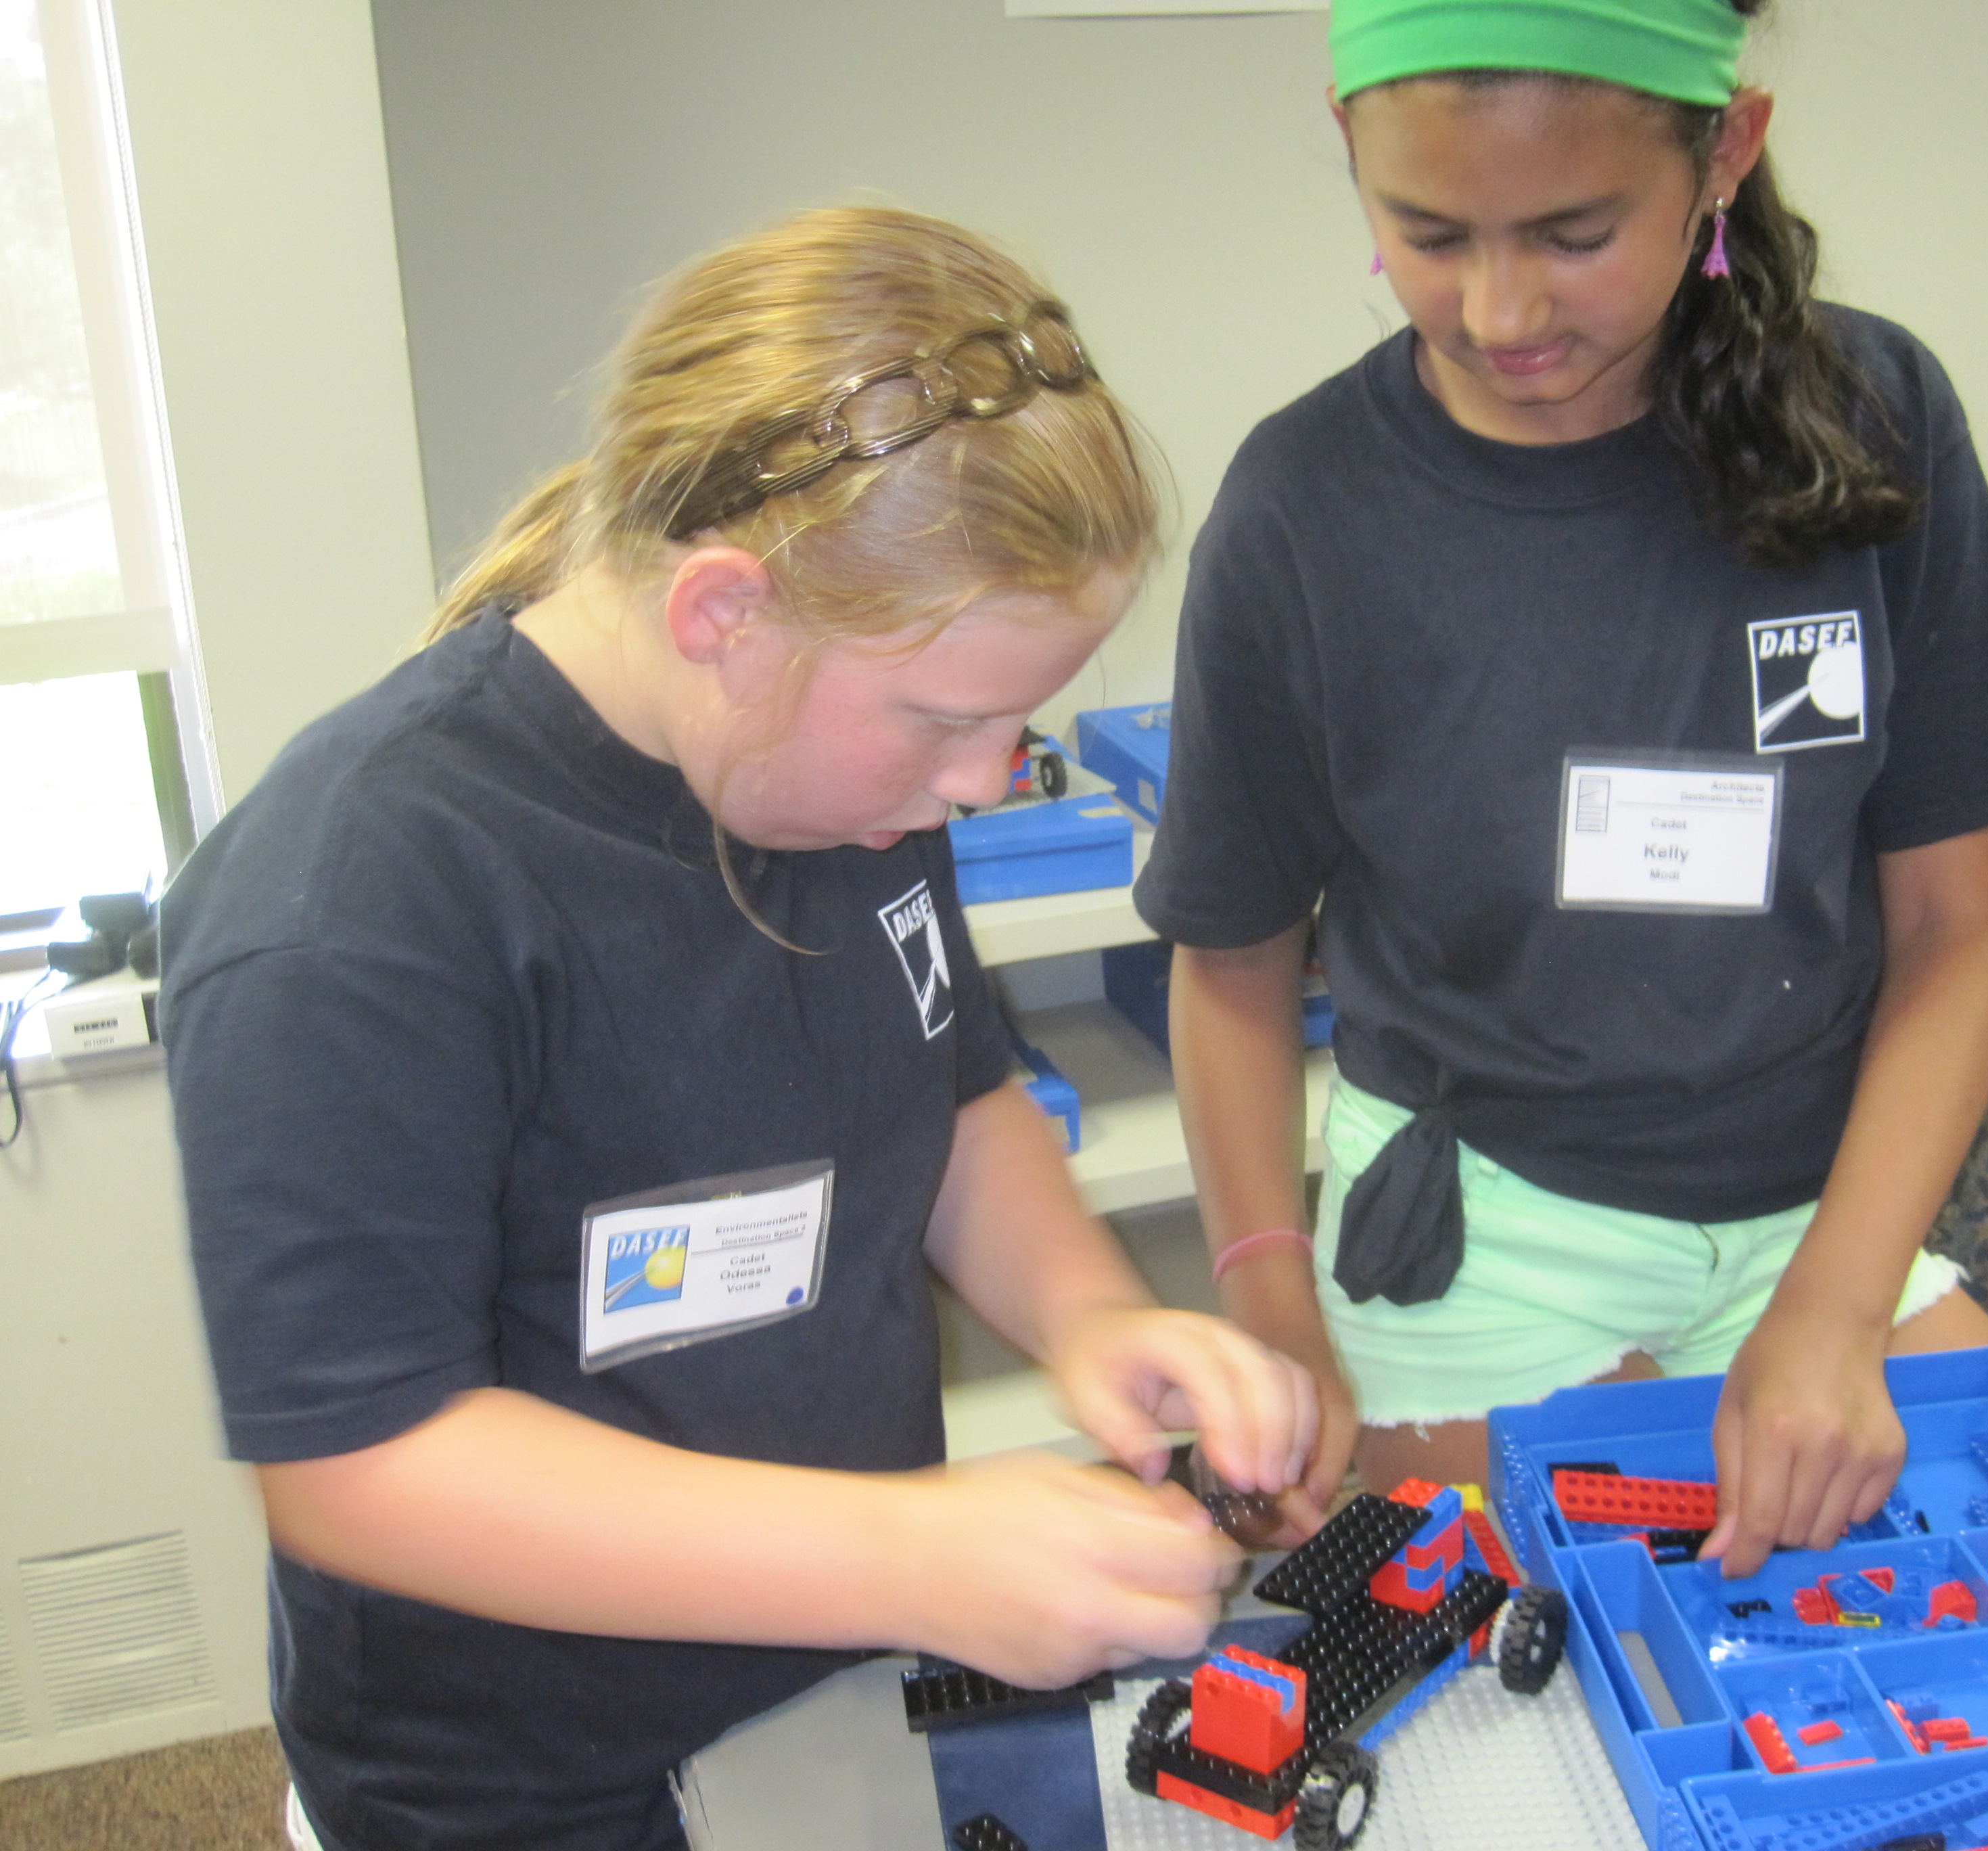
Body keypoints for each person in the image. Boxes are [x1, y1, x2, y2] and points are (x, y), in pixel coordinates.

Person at [160, 207, 1316, 1851]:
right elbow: (362, 1470)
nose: (988, 782)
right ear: (722, 612)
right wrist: (908, 1554)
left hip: (823, 1695)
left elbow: (958, 1098)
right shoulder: (359, 902)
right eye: (953, 721)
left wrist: (1091, 1316)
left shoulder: (845, 783)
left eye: (1019, 723)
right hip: (525, 1785)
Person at [1136, 0, 1988, 1576]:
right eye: (1428, 233)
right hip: (1491, 1222)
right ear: (1350, 148)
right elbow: (1230, 964)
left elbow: (1960, 929)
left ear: (1727, 152)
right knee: (1557, 1640)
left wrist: (1836, 1306)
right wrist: (1275, 1309)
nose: (1500, 310)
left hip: (1816, 1212)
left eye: (1576, 235)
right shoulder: (1307, 507)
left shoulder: (1876, 416)